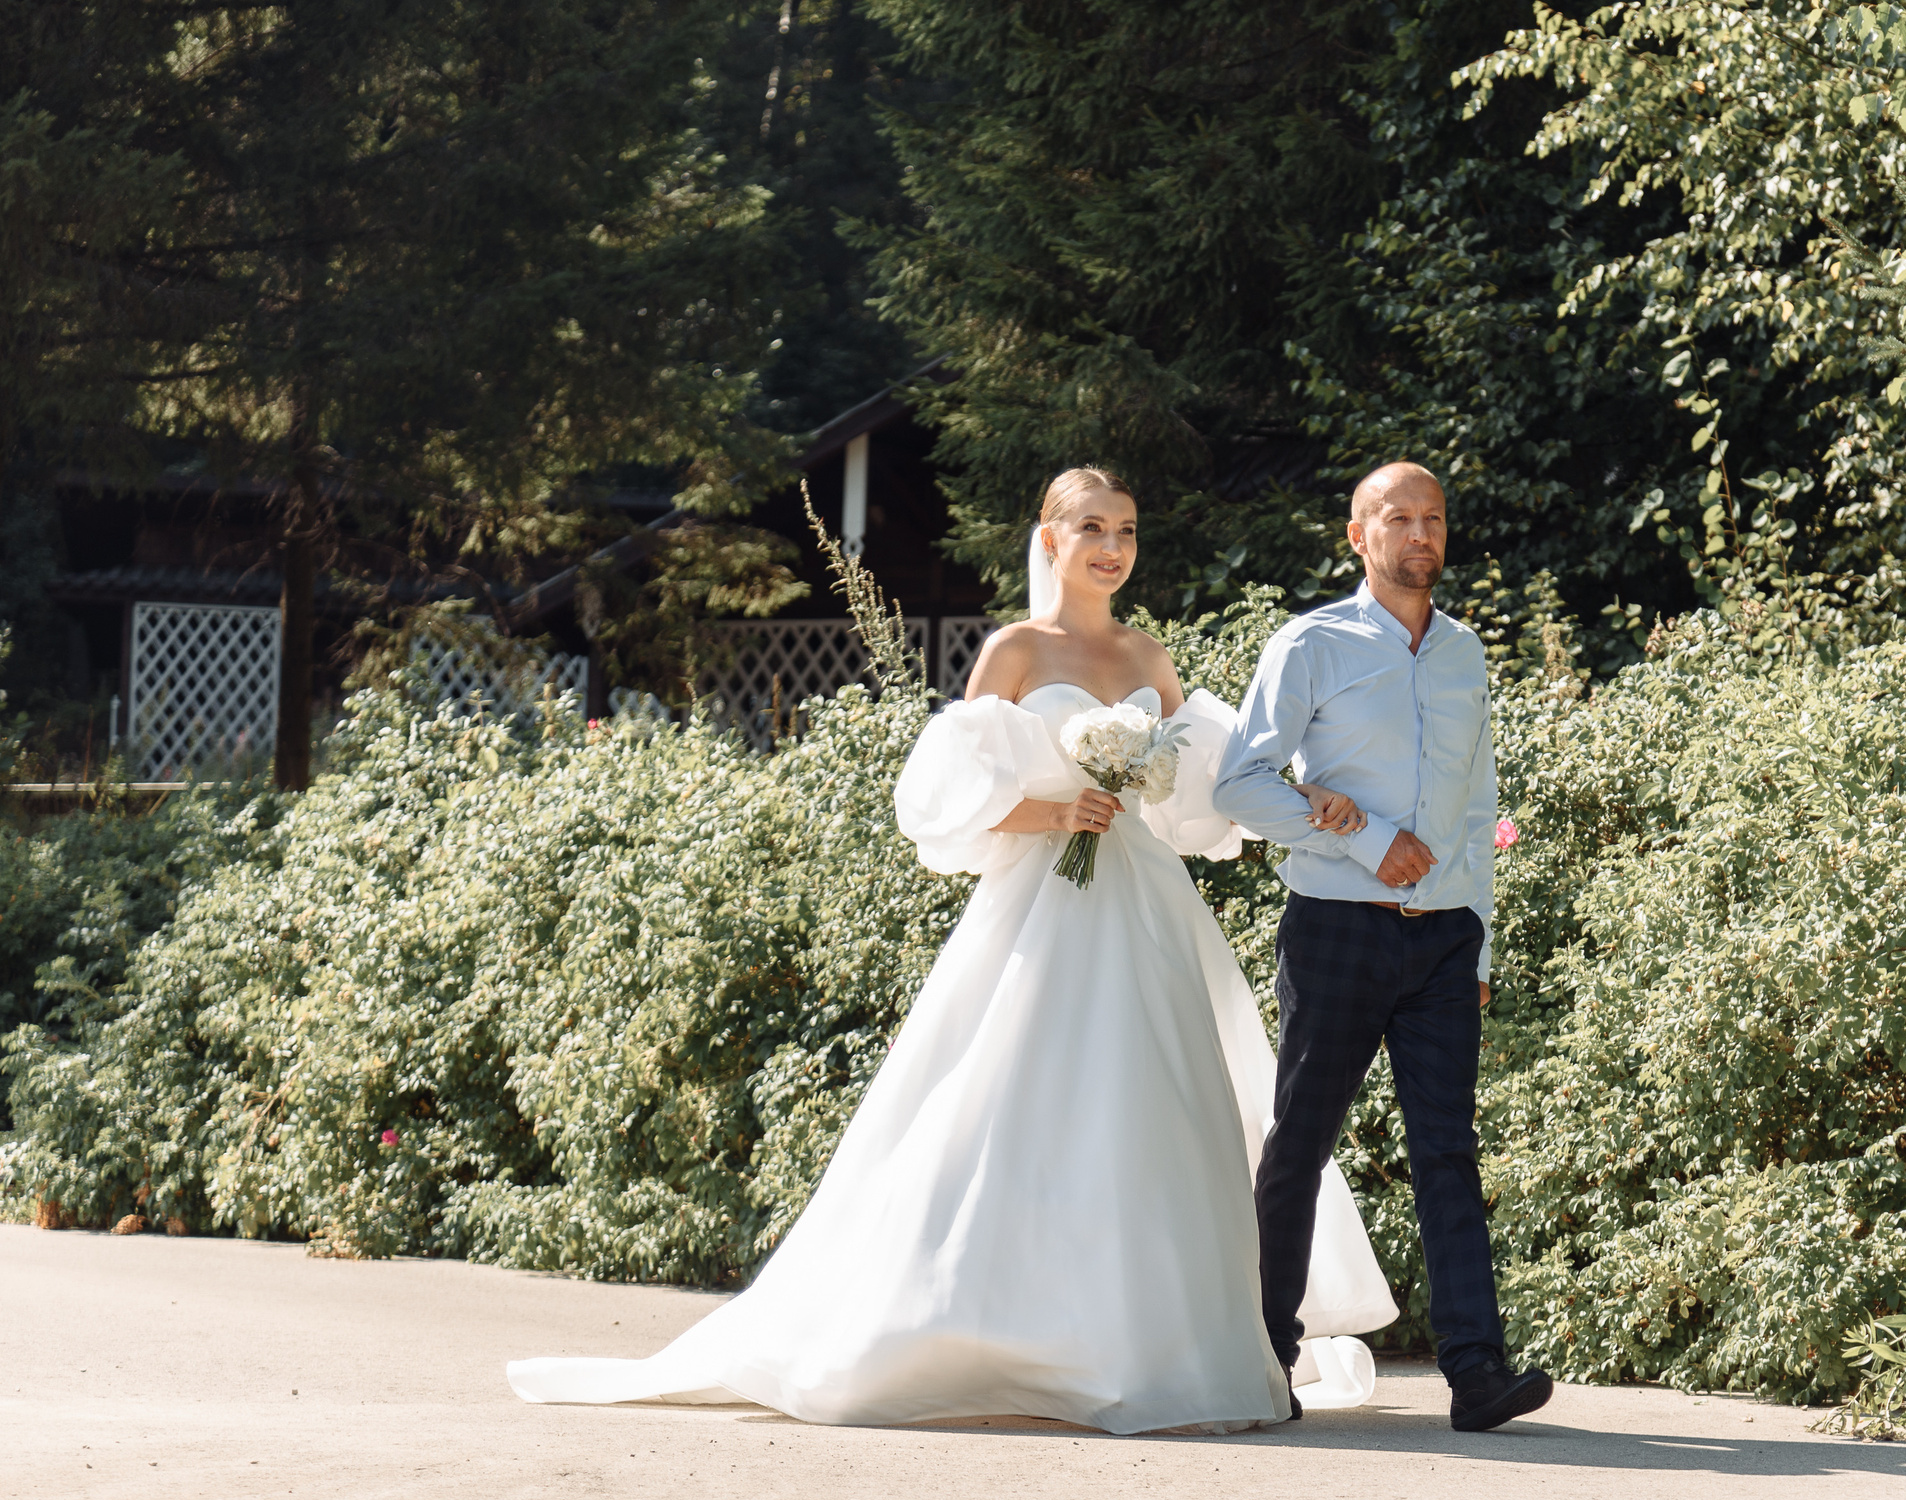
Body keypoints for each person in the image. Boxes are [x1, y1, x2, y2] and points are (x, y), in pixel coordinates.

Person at [507, 467, 1397, 1433]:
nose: (1113, 547)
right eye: (1092, 528)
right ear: (1051, 540)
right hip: (1044, 901)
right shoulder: (1015, 650)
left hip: (1145, 901)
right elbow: (953, 794)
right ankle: (979, 1328)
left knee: (1162, 1103)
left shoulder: (1149, 653)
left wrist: (1304, 796)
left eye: (1127, 530)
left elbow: (1203, 788)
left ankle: (1158, 1347)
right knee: (1009, 1099)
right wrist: (1056, 810)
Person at [1213, 461, 1554, 1433]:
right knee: (1300, 1145)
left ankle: (1476, 1373)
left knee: (1448, 1150)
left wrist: (1478, 947)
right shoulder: (1310, 644)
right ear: (1358, 536)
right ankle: (1265, 1363)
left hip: (1444, 941)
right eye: (1396, 517)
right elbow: (1240, 783)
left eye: (1432, 517)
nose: (1419, 533)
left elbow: (1478, 805)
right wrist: (1364, 838)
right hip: (1337, 928)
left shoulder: (1464, 652)